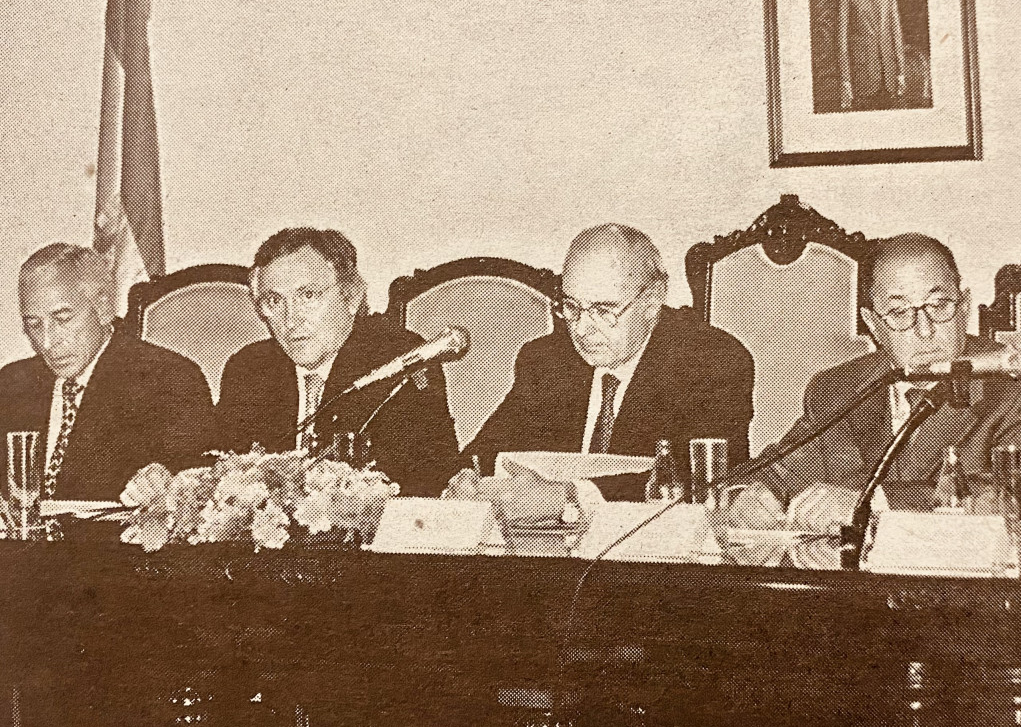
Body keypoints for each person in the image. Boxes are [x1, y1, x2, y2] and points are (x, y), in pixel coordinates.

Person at [740, 233, 1021, 531]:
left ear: (965, 306)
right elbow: (774, 472)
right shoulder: (837, 389)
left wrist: (869, 504)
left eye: (939, 305)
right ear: (873, 324)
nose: (925, 330)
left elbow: (1020, 497)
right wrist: (752, 495)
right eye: (900, 313)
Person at [450, 223, 755, 503]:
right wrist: (467, 478)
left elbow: (703, 481)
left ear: (651, 302)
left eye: (603, 310)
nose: (581, 329)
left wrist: (571, 495)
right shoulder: (545, 360)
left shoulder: (711, 360)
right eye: (571, 307)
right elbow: (485, 453)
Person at [216, 228, 459, 496]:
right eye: (274, 301)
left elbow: (424, 483)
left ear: (351, 296)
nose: (291, 321)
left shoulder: (399, 361)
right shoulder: (249, 369)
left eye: (308, 296)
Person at [0, 244, 214, 502]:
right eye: (34, 324)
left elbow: (195, 472)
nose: (46, 342)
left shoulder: (167, 378)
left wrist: (163, 479)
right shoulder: (12, 383)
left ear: (102, 307)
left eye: (63, 318)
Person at [838, 0, 906, 112]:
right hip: (863, 77)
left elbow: (896, 30)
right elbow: (842, 38)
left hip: (889, 75)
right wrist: (845, 79)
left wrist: (901, 72)